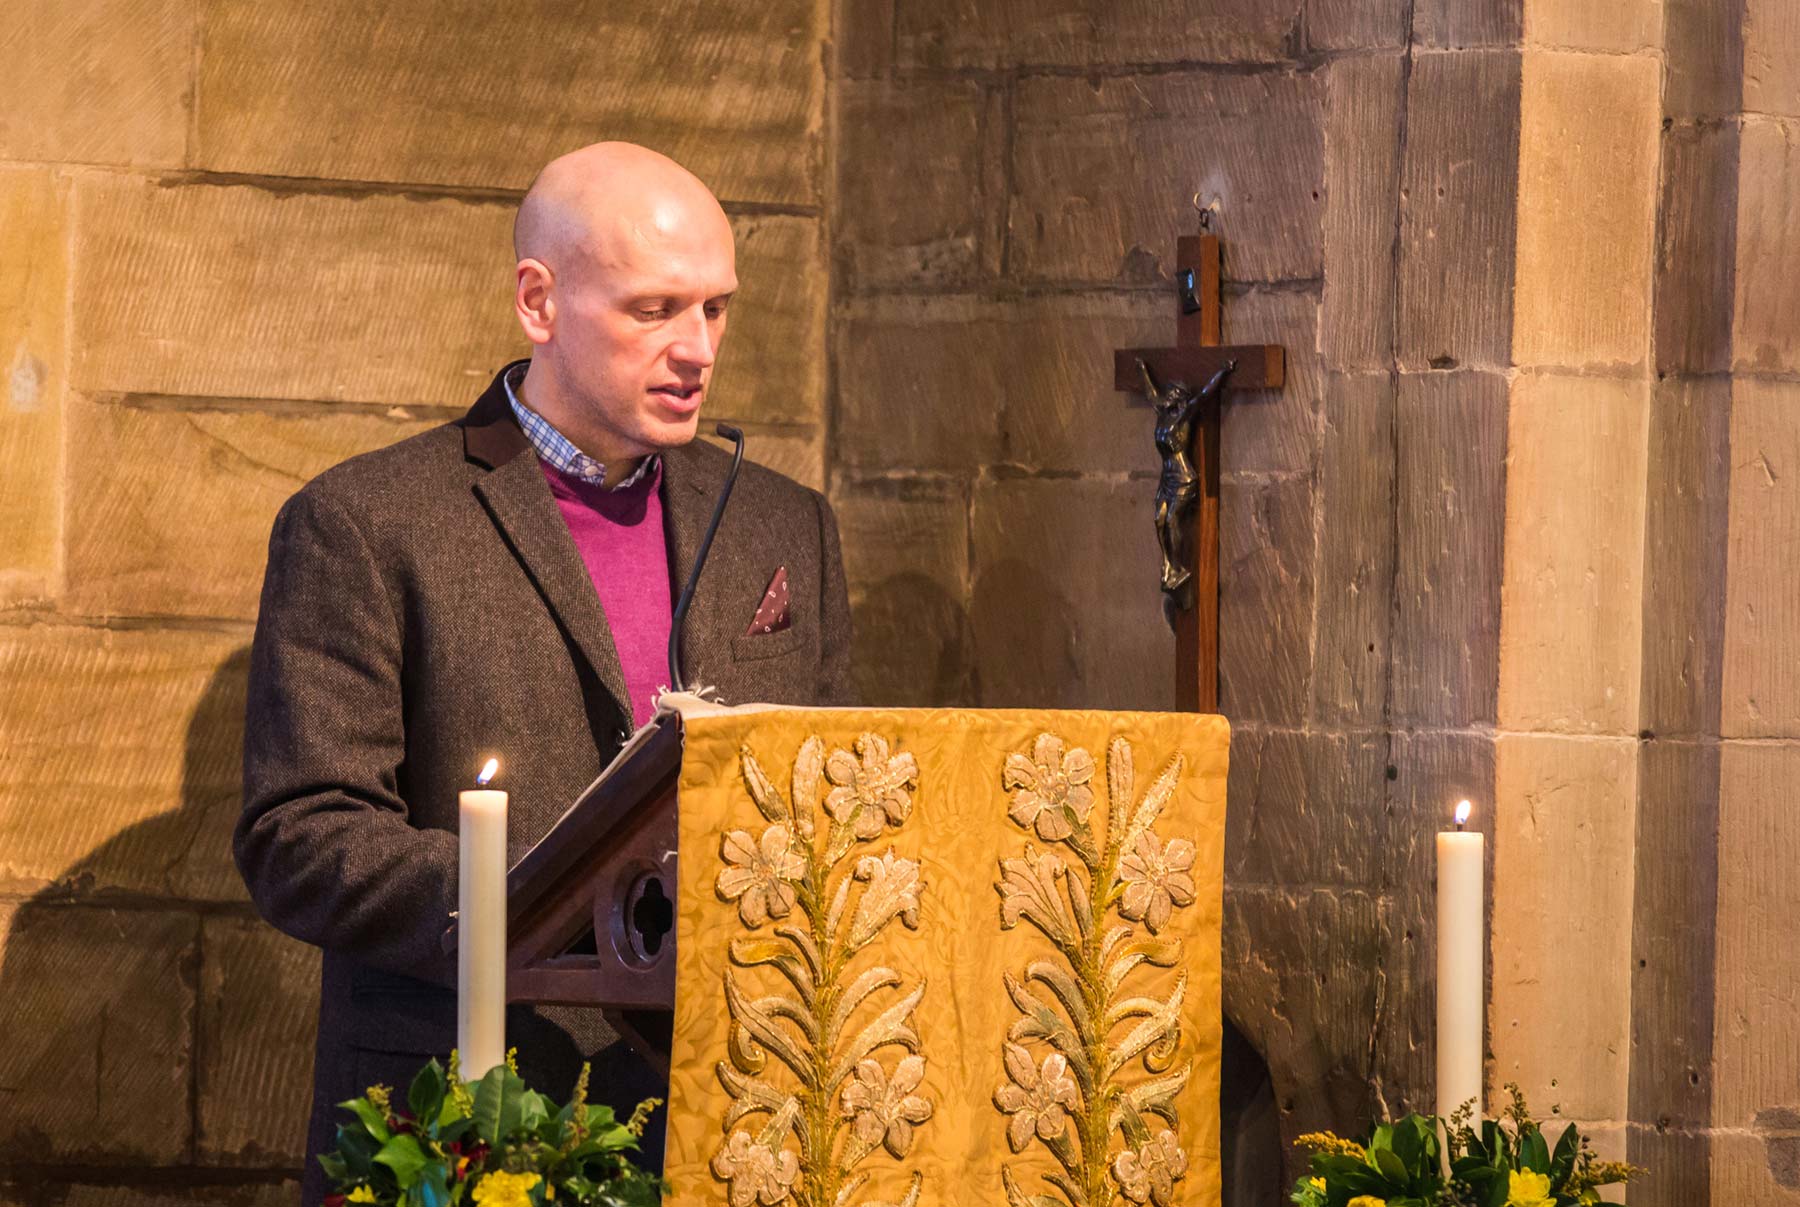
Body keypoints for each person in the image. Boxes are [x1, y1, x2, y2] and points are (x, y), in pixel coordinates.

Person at [234, 142, 855, 1204]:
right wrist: (556, 900)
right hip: (475, 1113)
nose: (697, 347)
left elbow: (841, 791)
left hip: (738, 1114)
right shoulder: (367, 523)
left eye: (715, 309)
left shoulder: (781, 523)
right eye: (654, 308)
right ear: (539, 301)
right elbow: (301, 833)